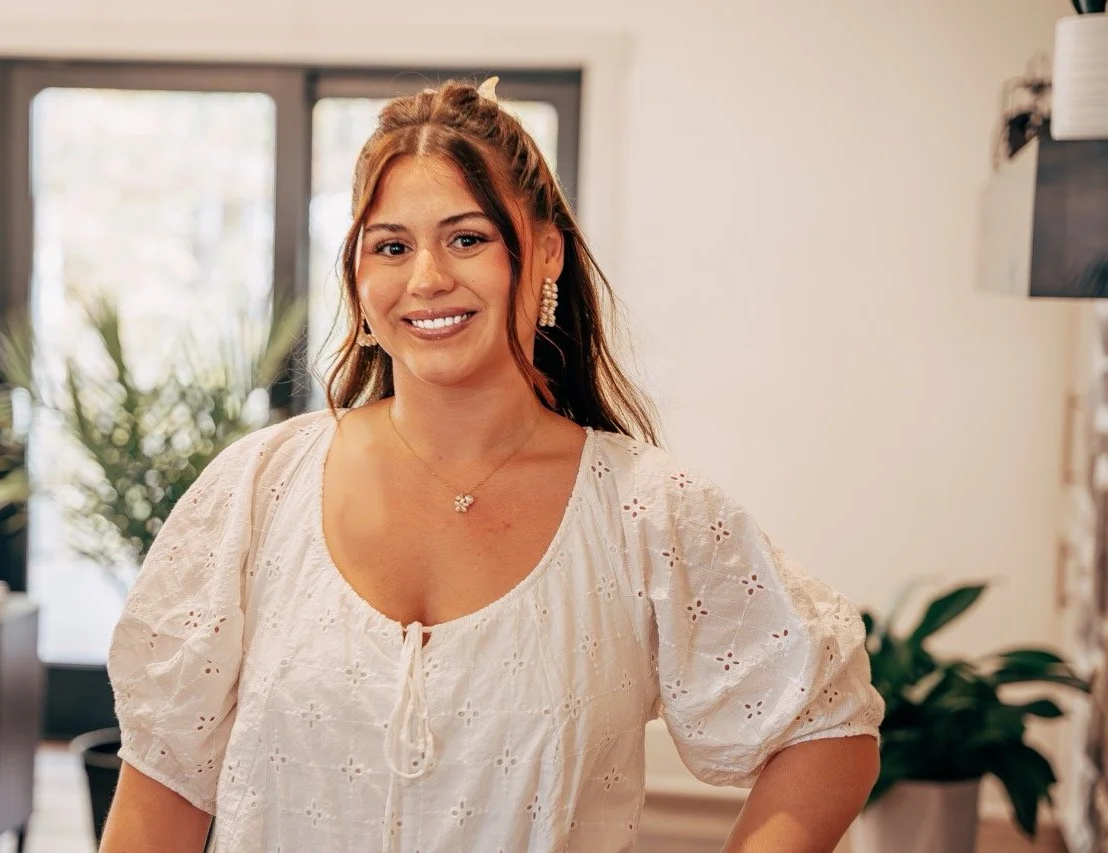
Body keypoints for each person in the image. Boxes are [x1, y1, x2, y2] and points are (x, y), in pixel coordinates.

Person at [99, 77, 884, 853]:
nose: (427, 278)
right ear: (359, 276)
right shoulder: (260, 489)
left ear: (544, 253)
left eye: (466, 237)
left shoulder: (646, 510)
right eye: (392, 246)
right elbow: (161, 790)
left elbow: (828, 727)